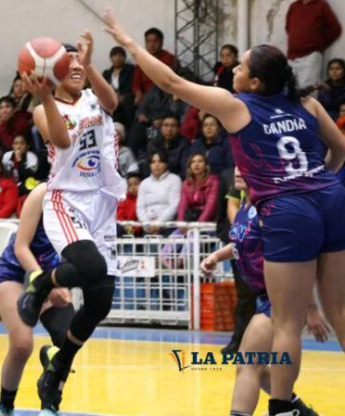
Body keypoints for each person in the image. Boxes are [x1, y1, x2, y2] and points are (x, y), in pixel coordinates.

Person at [104, 10, 345, 415]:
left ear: (254, 82)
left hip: (290, 209)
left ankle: (283, 408)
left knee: (286, 322)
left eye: (240, 65)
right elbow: (340, 151)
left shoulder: (238, 106)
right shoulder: (307, 103)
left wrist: (127, 43)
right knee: (340, 309)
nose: (231, 68)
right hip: (332, 196)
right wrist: (319, 184)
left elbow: (170, 82)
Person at [15, 32, 125, 415]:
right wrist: (44, 94)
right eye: (71, 63)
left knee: (101, 300)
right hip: (67, 199)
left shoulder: (95, 96)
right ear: (54, 71)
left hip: (102, 203)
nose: (77, 66)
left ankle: (57, 369)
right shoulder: (42, 108)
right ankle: (42, 281)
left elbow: (114, 103)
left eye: (81, 61)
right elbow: (61, 142)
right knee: (90, 267)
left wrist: (93, 65)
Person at [201, 167, 325, 416]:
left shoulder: (269, 209)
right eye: (236, 165)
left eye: (245, 166)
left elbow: (297, 258)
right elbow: (241, 239)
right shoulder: (245, 207)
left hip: (281, 299)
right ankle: (298, 410)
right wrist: (216, 255)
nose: (237, 171)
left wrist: (310, 308)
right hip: (264, 297)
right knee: (258, 366)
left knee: (247, 363)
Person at [0, 183, 75, 416]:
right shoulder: (42, 194)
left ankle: (50, 405)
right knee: (22, 344)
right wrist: (46, 284)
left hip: (54, 276)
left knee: (69, 341)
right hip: (17, 272)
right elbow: (21, 248)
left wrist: (62, 283)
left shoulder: (90, 202)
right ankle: (5, 405)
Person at [285, 0, 341, 89]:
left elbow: (335, 29)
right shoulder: (294, 6)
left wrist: (319, 44)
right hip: (292, 57)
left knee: (308, 93)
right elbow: (288, 28)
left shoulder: (321, 5)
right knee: (288, 90)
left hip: (310, 57)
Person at [136, 150, 182, 228]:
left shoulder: (175, 179)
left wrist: (159, 223)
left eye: (160, 162)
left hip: (168, 226)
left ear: (166, 164)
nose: (156, 165)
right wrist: (147, 225)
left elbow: (174, 205)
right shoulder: (144, 183)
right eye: (153, 162)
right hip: (148, 227)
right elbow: (140, 207)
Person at [131, 27, 177, 104]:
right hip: (146, 96)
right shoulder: (141, 60)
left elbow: (172, 82)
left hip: (164, 95)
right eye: (148, 41)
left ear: (162, 42)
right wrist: (138, 92)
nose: (152, 45)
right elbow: (136, 83)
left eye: (155, 41)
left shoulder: (170, 58)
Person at [178, 152, 220, 222]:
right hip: (190, 220)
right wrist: (181, 223)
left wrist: (198, 224)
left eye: (200, 161)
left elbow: (210, 207)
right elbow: (182, 206)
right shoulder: (186, 183)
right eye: (193, 162)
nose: (196, 164)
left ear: (206, 165)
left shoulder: (214, 181)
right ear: (190, 166)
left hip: (208, 222)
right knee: (175, 233)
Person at [103, 46, 136, 126]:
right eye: (114, 56)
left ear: (124, 57)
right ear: (111, 58)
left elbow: (131, 84)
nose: (117, 58)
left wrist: (121, 96)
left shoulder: (130, 69)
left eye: (120, 56)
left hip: (125, 97)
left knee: (127, 99)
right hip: (111, 98)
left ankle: (128, 127)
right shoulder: (107, 73)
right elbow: (103, 87)